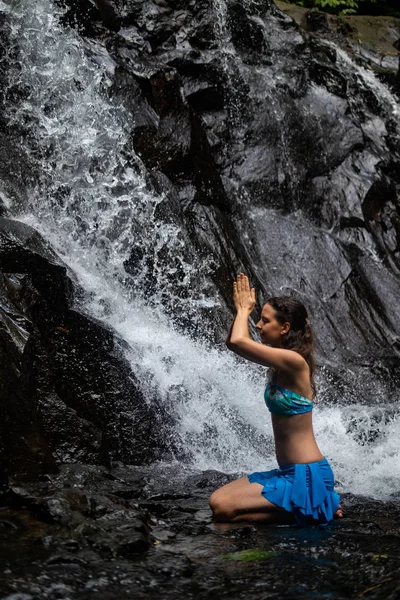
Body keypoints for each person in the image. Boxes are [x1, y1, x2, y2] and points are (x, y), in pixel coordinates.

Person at [209, 273, 342, 526]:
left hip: (307, 475)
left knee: (223, 509)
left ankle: (319, 502)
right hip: (288, 472)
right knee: (217, 502)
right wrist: (242, 313)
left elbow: (238, 341)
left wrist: (243, 309)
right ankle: (314, 506)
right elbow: (232, 342)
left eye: (264, 320)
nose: (257, 325)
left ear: (285, 328)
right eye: (258, 319)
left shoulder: (294, 362)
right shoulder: (280, 361)